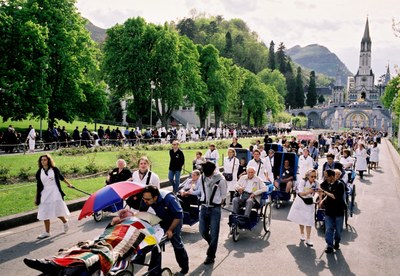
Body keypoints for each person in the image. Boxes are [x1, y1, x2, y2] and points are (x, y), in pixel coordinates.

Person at [23, 209, 163, 275]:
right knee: (84, 247)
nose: (123, 216)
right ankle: (52, 264)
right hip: (105, 240)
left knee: (100, 254)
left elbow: (147, 236)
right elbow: (104, 234)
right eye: (121, 215)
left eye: (125, 215)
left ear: (132, 215)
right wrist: (113, 223)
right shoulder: (116, 223)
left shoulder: (140, 223)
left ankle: (67, 269)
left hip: (120, 242)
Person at [139, 185, 189, 275]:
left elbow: (178, 215)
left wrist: (170, 230)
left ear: (155, 197)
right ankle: (154, 271)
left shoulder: (169, 198)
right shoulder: (146, 199)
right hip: (162, 218)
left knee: (176, 242)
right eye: (144, 199)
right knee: (156, 242)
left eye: (147, 199)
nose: (145, 201)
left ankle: (184, 267)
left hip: (175, 219)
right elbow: (142, 213)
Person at [192, 161, 227, 265]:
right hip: (203, 207)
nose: (205, 175)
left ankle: (210, 256)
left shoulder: (221, 180)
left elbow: (224, 194)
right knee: (202, 230)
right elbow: (200, 190)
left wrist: (220, 201)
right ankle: (212, 243)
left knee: (214, 233)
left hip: (215, 208)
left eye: (207, 173)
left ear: (212, 171)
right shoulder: (202, 177)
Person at [35, 154, 73, 239]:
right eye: (41, 160)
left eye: (45, 160)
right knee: (45, 211)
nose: (43, 161)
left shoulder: (54, 169)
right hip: (45, 193)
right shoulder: (39, 172)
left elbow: (61, 178)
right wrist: (37, 197)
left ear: (48, 160)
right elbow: (38, 185)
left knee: (57, 210)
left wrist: (69, 184)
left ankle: (65, 221)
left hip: (55, 192)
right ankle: (47, 232)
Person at [287, 169, 319, 247]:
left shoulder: (316, 183)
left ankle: (308, 239)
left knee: (309, 220)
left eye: (315, 176)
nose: (313, 178)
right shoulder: (303, 181)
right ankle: (302, 234)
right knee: (301, 219)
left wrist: (320, 199)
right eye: (312, 176)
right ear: (308, 176)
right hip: (301, 201)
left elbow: (319, 191)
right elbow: (301, 193)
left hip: (309, 202)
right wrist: (309, 191)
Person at [318, 169, 346, 253]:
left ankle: (337, 242)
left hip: (338, 211)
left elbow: (334, 196)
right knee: (329, 228)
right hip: (329, 211)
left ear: (332, 177)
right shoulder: (327, 183)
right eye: (325, 177)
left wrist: (324, 191)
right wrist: (322, 200)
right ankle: (329, 245)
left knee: (338, 230)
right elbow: (322, 188)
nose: (325, 178)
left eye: (327, 177)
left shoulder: (340, 185)